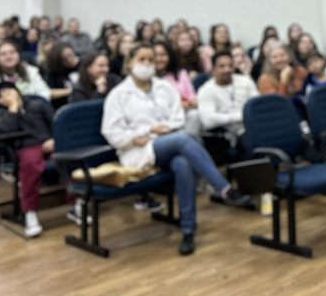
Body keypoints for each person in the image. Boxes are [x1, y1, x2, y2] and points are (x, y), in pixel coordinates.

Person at [101, 43, 250, 255]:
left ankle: (188, 230)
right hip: (137, 150)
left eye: (150, 60)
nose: (147, 64)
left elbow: (178, 118)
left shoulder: (165, 87)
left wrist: (163, 129)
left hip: (168, 142)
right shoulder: (118, 94)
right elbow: (112, 132)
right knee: (182, 139)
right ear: (130, 62)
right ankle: (223, 188)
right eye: (142, 59)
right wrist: (146, 131)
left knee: (183, 164)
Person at [0, 81, 65, 237]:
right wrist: (13, 108)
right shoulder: (1, 114)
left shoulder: (38, 104)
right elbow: (6, 131)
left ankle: (77, 204)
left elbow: (56, 123)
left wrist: (54, 139)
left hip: (48, 142)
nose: (8, 95)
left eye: (10, 91)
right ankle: (30, 212)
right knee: (30, 165)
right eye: (2, 95)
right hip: (26, 147)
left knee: (67, 159)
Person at [0, 40, 51, 127]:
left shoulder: (30, 70)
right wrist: (15, 104)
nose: (9, 56)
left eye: (12, 52)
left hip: (29, 113)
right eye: (3, 54)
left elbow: (44, 94)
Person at [197, 50, 259, 151]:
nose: (227, 69)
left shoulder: (245, 82)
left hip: (253, 125)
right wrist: (241, 117)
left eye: (230, 66)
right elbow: (208, 120)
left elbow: (257, 107)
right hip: (228, 134)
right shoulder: (205, 90)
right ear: (213, 69)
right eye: (222, 66)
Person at [153, 42, 201, 140]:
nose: (159, 59)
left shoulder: (180, 73)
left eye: (163, 55)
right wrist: (178, 106)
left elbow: (191, 94)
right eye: (155, 55)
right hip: (161, 116)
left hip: (184, 112)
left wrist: (192, 101)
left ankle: (189, 142)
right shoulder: (148, 78)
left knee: (195, 115)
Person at [44, 42, 79, 110]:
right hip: (64, 106)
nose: (69, 60)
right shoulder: (54, 71)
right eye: (64, 59)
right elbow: (50, 92)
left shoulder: (83, 65)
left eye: (70, 55)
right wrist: (71, 91)